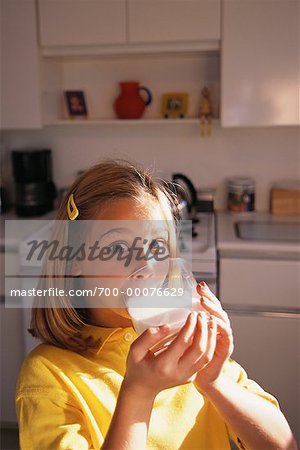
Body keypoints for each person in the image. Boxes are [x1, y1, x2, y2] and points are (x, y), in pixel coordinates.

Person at [15, 159, 297, 450]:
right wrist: (138, 393)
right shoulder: (49, 374)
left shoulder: (188, 343)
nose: (146, 265)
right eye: (118, 247)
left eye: (157, 247)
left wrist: (215, 382)